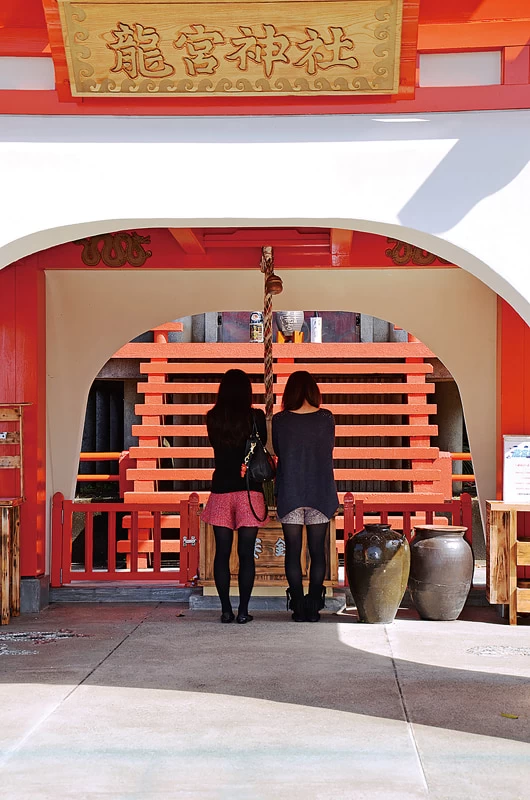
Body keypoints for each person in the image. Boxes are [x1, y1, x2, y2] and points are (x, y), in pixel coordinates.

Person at [201, 369, 268, 624]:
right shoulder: (256, 417)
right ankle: (243, 611)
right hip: (249, 490)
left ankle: (225, 610)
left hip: (220, 490)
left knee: (222, 553)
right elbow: (262, 446)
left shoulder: (213, 418)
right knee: (246, 554)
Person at [273, 370, 338, 622]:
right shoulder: (326, 418)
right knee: (317, 552)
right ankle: (314, 608)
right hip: (320, 491)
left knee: (293, 552)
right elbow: (328, 448)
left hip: (290, 491)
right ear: (313, 391)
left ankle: (298, 607)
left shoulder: (281, 420)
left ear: (289, 392)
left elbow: (279, 450)